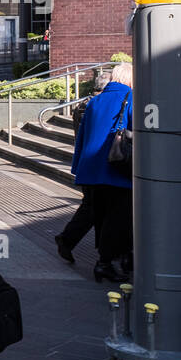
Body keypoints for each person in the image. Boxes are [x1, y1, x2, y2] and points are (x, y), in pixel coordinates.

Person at [70, 62, 133, 282]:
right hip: (117, 169)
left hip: (92, 170)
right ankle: (106, 263)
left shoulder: (94, 102)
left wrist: (77, 167)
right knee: (119, 218)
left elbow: (82, 137)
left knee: (102, 217)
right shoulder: (132, 98)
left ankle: (106, 261)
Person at [55, 70, 109, 264]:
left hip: (87, 164)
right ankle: (68, 240)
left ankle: (68, 239)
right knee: (93, 209)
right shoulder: (93, 106)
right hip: (95, 164)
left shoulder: (84, 105)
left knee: (92, 207)